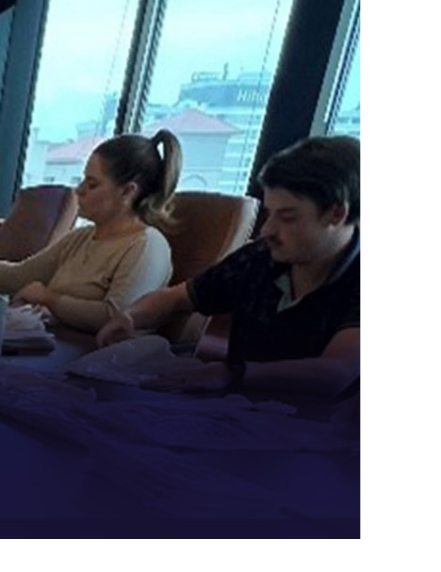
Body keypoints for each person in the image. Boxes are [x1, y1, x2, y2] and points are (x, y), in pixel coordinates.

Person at [97, 136, 359, 397]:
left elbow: (335, 373)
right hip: (239, 413)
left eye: (287, 217)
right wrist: (131, 316)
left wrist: (232, 374)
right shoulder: (260, 258)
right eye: (269, 214)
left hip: (320, 427)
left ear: (336, 213)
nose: (268, 230)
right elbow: (178, 298)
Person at [0, 130, 182, 334]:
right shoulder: (81, 238)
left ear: (128, 191)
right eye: (83, 180)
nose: (80, 190)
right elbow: (19, 275)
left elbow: (115, 317)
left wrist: (48, 298)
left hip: (98, 362)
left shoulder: (147, 246)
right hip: (54, 345)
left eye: (92, 184)